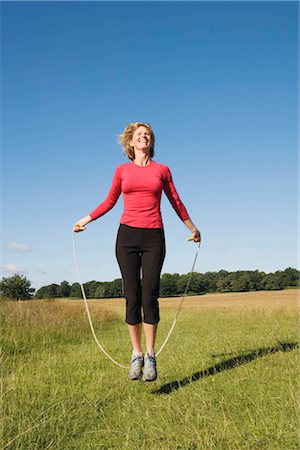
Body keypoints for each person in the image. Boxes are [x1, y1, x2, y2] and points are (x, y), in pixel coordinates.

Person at [73, 122, 201, 382]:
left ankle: (151, 356)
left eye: (148, 134)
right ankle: (136, 354)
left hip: (154, 236)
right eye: (139, 134)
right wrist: (85, 219)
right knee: (132, 296)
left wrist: (193, 228)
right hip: (127, 237)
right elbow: (110, 201)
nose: (144, 137)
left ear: (151, 142)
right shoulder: (122, 171)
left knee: (150, 294)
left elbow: (176, 201)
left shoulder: (162, 170)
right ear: (130, 142)